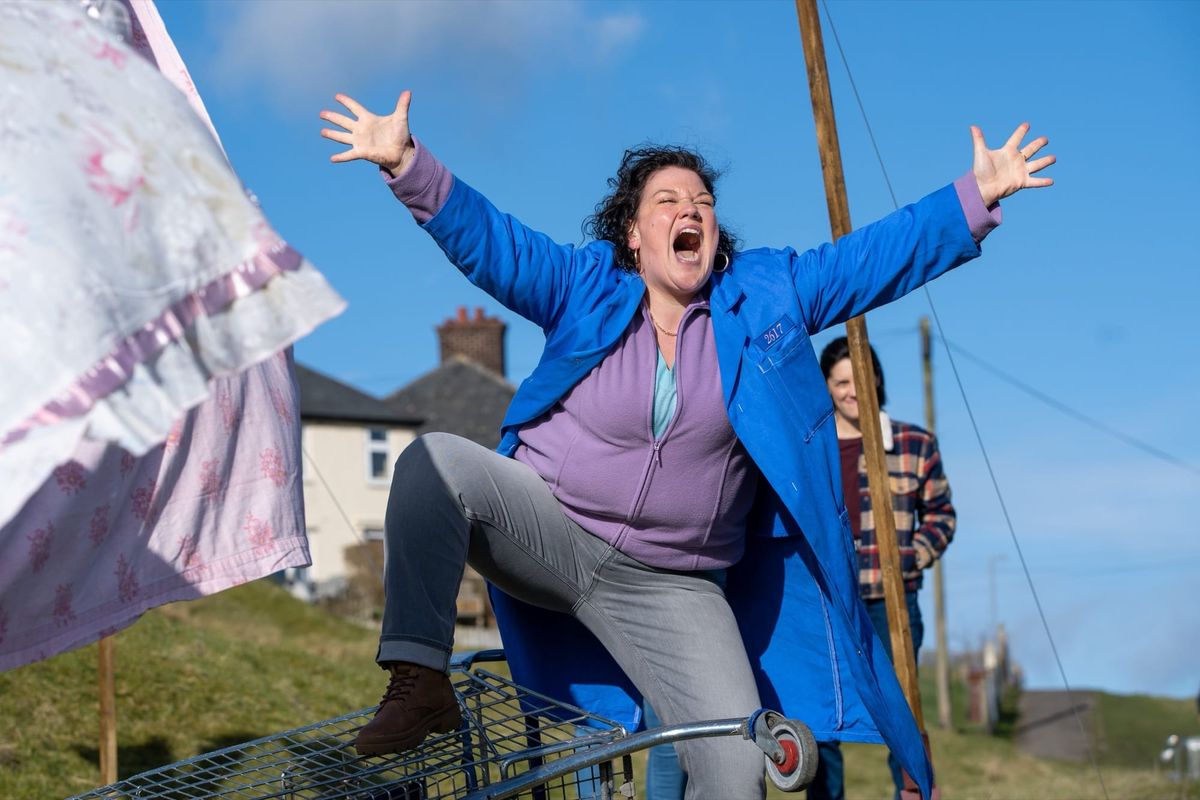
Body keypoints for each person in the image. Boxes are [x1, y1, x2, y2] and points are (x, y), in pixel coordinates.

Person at [318, 89, 1053, 799]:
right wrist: (407, 163)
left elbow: (867, 260)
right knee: (433, 464)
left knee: (735, 772)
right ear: (634, 235)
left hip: (675, 584)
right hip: (552, 528)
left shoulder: (764, 297)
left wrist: (973, 198)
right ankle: (418, 680)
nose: (689, 210)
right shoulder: (586, 286)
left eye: (701, 202)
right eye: (667, 202)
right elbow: (492, 241)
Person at [808, 338, 955, 800]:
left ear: (877, 378)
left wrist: (908, 557)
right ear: (827, 388)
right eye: (841, 382)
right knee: (824, 720)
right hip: (827, 603)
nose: (853, 390)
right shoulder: (813, 447)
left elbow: (942, 516)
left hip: (892, 604)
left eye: (860, 377)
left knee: (903, 716)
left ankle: (912, 795)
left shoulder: (915, 444)